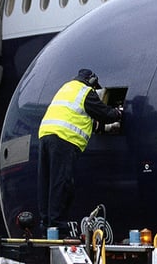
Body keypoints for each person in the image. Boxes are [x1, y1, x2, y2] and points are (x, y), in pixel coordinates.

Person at [37, 68, 122, 234]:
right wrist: (117, 113)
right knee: (62, 183)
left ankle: (46, 223)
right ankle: (57, 224)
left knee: (46, 182)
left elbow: (82, 118)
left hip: (46, 135)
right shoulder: (85, 92)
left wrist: (104, 126)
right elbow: (104, 113)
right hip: (65, 139)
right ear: (91, 81)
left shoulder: (66, 88)